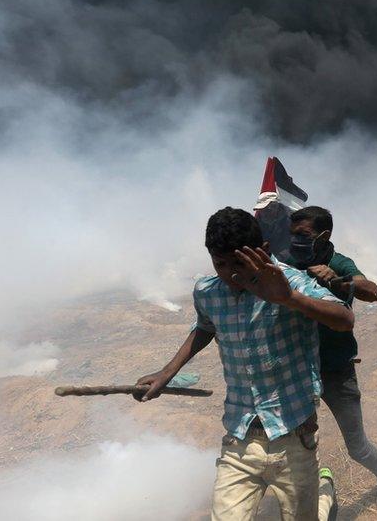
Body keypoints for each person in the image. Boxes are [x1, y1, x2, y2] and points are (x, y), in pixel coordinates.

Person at [134, 207, 355, 520]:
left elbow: (345, 319)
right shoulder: (208, 292)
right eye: (220, 263)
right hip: (240, 434)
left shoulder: (289, 282)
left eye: (239, 262)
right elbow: (205, 326)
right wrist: (166, 373)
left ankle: (324, 493)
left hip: (293, 433)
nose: (230, 274)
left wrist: (289, 299)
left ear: (262, 251)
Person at [287, 206, 377, 507]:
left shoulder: (339, 262)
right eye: (292, 234)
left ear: (323, 236)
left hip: (335, 370)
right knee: (293, 441)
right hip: (296, 369)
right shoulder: (288, 261)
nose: (296, 241)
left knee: (357, 446)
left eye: (304, 235)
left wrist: (337, 278)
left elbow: (371, 291)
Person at [254, 191, 295, 264]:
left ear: (275, 206)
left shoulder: (292, 219)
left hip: (289, 259)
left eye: (266, 210)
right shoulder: (258, 220)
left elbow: (294, 245)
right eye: (260, 210)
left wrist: (276, 260)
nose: (263, 214)